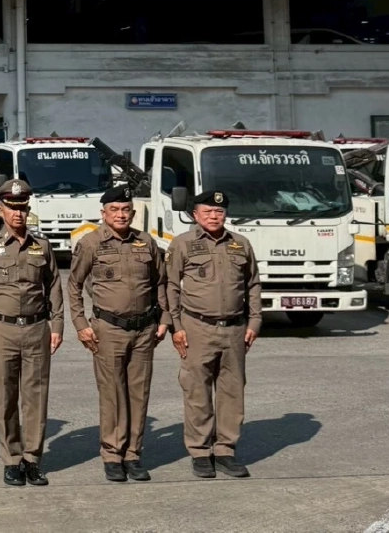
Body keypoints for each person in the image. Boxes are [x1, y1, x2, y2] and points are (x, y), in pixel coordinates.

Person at [67, 184, 170, 483]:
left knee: (139, 393)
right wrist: (80, 324)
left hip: (144, 330)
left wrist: (164, 319)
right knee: (112, 394)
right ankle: (112, 454)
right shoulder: (91, 243)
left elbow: (160, 282)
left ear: (133, 213)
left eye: (126, 210)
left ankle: (133, 454)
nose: (121, 214)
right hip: (108, 329)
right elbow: (74, 285)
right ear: (103, 213)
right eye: (114, 210)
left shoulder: (145, 242)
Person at [0, 178, 63, 487]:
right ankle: (11, 459)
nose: (18, 214)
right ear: (0, 208)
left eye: (22, 207)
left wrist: (57, 325)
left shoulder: (42, 245)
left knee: (35, 398)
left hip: (36, 328)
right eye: (12, 208)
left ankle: (32, 459)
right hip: (2, 330)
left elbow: (54, 286)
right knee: (6, 396)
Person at [166, 190, 262, 480]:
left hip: (234, 329)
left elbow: (253, 285)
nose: (214, 216)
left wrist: (254, 322)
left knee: (232, 393)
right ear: (195, 214)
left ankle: (225, 451)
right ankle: (200, 452)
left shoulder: (240, 244)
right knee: (197, 392)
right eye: (207, 211)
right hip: (197, 327)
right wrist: (176, 326)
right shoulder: (183, 243)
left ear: (225, 214)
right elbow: (170, 286)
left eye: (219, 212)